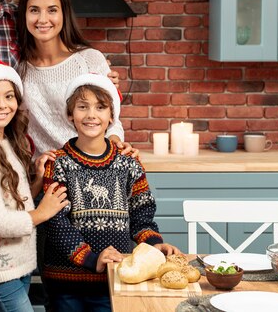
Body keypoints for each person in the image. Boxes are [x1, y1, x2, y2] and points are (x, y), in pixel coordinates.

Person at [41, 73, 180, 312]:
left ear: (111, 116)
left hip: (115, 280)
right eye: (82, 107)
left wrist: (155, 245)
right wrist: (91, 259)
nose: (91, 115)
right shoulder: (59, 164)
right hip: (66, 283)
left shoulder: (129, 164)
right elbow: (56, 223)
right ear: (70, 115)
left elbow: (142, 216)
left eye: (100, 107)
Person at [0, 59, 69, 311]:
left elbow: (11, 202)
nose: (2, 105)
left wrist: (36, 183)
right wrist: (42, 212)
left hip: (19, 262)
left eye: (9, 96)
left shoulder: (4, 139)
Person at [16, 0, 132, 160]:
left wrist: (116, 143)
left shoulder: (89, 59)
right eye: (34, 10)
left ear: (64, 14)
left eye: (52, 10)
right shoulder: (18, 70)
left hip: (90, 166)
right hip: (43, 174)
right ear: (24, 15)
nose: (43, 19)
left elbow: (111, 118)